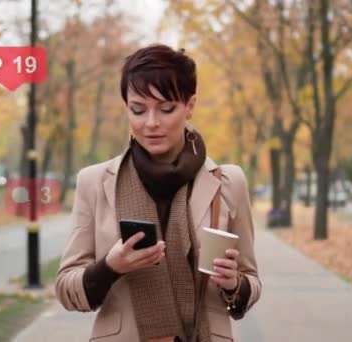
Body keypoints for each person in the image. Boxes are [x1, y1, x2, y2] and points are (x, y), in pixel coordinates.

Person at [55, 44, 261, 342]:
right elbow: (66, 289)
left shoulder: (229, 182)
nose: (151, 123)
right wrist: (111, 267)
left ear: (190, 106)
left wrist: (233, 284)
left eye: (166, 109)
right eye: (138, 109)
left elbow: (251, 283)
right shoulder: (94, 182)